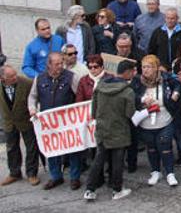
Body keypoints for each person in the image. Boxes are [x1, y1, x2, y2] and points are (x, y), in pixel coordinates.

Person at [82, 59, 136, 201]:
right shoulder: (128, 91)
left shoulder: (100, 86)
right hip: (119, 131)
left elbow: (93, 111)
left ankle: (89, 190)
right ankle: (116, 190)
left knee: (98, 160)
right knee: (117, 161)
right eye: (133, 71)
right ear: (128, 72)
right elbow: (130, 114)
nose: (134, 74)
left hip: (102, 130)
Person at [27, 52, 82, 190]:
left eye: (61, 63)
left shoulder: (71, 77)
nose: (60, 66)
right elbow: (32, 97)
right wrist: (32, 109)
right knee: (52, 149)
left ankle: (75, 177)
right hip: (49, 123)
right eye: (57, 64)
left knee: (73, 149)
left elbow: (80, 96)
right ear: (49, 65)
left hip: (68, 121)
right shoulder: (39, 79)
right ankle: (56, 176)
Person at [130, 55, 181, 188]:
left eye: (148, 67)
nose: (145, 70)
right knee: (151, 147)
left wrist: (175, 94)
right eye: (143, 67)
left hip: (164, 118)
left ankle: (170, 173)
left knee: (165, 145)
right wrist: (141, 100)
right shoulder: (137, 81)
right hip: (146, 121)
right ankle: (155, 171)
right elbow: (130, 96)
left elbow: (178, 84)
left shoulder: (165, 77)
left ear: (156, 68)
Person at [0, 66, 40, 186]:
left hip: (25, 121)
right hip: (9, 122)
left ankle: (32, 173)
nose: (15, 78)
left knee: (31, 147)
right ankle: (14, 172)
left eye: (15, 75)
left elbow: (36, 97)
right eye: (11, 77)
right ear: (2, 78)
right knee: (11, 148)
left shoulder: (27, 83)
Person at [148, 7, 181, 72]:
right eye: (168, 18)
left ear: (177, 18)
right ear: (165, 18)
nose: (170, 21)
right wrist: (157, 65)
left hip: (179, 68)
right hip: (161, 68)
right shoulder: (157, 32)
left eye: (172, 18)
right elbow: (151, 50)